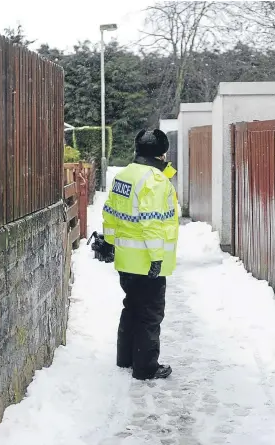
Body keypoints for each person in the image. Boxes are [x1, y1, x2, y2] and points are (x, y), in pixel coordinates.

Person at [100, 129, 179, 380]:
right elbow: (151, 222)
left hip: (126, 258)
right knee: (150, 315)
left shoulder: (124, 175)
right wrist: (157, 258)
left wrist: (110, 243)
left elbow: (110, 212)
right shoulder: (155, 181)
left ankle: (125, 359)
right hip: (147, 262)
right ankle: (145, 368)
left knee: (132, 307)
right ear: (162, 153)